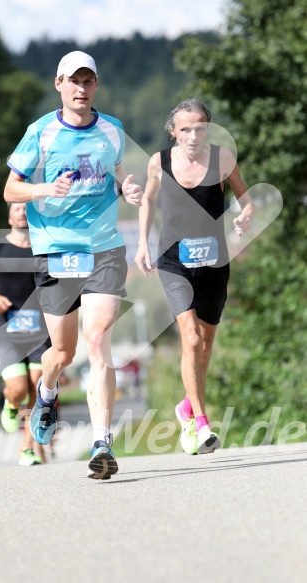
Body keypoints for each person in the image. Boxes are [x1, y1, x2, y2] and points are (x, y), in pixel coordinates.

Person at [3, 51, 143, 480]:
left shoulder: (112, 130)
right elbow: (11, 190)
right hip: (57, 249)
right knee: (61, 353)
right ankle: (47, 393)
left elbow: (115, 172)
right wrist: (47, 187)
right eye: (74, 81)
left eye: (89, 81)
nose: (81, 89)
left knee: (98, 341)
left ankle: (102, 442)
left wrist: (127, 187)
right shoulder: (40, 133)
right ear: (59, 84)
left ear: (96, 85)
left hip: (104, 249)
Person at [134, 98, 254, 455]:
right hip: (174, 262)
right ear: (174, 132)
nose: (193, 135)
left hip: (214, 263)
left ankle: (186, 405)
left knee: (205, 345)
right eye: (185, 129)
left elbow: (246, 198)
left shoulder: (222, 159)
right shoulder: (159, 162)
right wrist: (142, 243)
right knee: (189, 339)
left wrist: (245, 214)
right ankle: (200, 424)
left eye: (200, 128)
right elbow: (149, 201)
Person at [0, 202, 52, 466]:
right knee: (16, 390)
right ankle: (11, 403)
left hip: (42, 331)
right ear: (9, 217)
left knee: (36, 391)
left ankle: (26, 448)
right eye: (17, 208)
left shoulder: (44, 247)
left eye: (27, 209)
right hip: (10, 331)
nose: (22, 212)